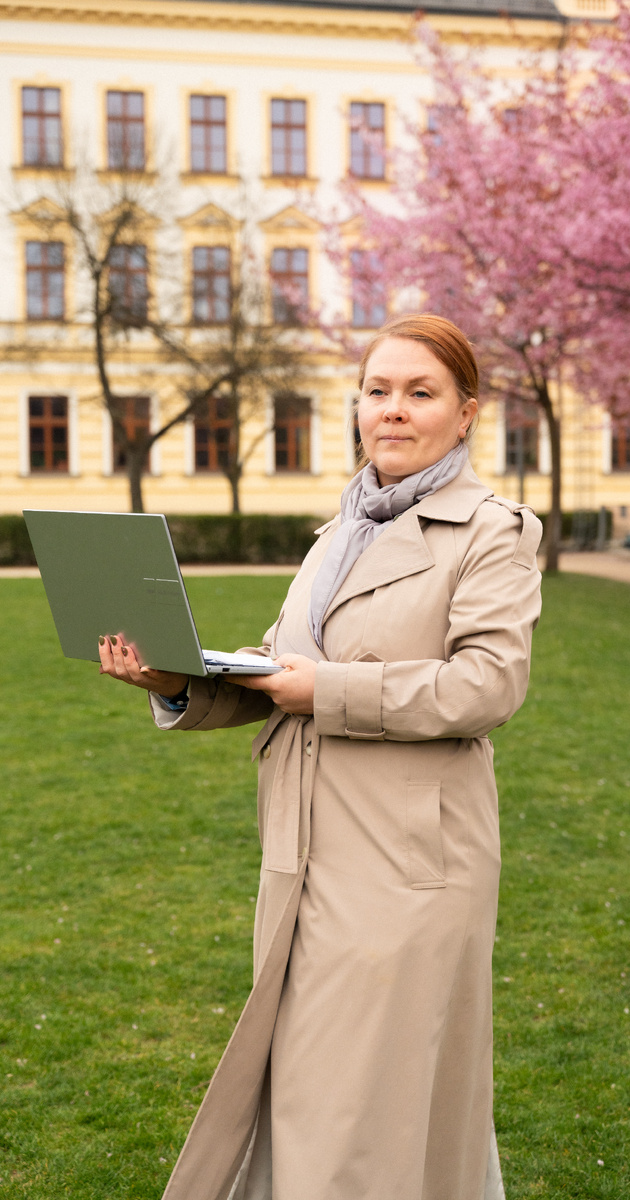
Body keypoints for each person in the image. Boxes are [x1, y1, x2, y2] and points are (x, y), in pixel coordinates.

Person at [98, 313, 543, 1200]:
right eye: (378, 390)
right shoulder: (336, 533)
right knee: (304, 1085)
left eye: (421, 393)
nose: (394, 410)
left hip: (413, 865)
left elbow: (488, 686)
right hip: (304, 851)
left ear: (466, 414)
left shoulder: (496, 530)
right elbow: (279, 670)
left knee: (362, 1107)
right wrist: (171, 680)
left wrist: (328, 690)